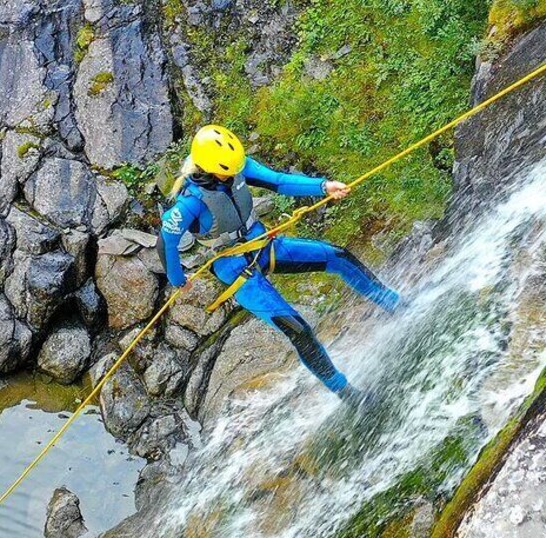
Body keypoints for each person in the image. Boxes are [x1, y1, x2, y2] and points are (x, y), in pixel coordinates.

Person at [157, 125, 401, 405]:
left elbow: (278, 181)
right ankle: (347, 394)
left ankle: (395, 305)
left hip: (263, 246)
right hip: (235, 271)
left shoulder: (237, 167)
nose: (236, 171)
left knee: (338, 256)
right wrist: (178, 279)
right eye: (229, 169)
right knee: (298, 329)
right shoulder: (189, 203)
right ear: (209, 167)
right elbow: (166, 242)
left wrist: (324, 187)